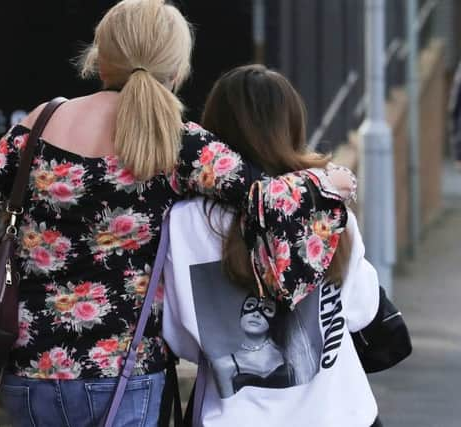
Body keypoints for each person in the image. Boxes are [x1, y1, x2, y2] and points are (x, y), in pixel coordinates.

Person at [0, 1, 354, 425]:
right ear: (177, 70)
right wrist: (324, 185)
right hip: (130, 373)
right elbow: (266, 200)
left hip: (27, 369)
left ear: (100, 59)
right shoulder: (179, 142)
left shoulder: (35, 126)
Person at [163, 65, 383, 427]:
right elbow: (360, 310)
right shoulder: (326, 202)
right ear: (293, 126)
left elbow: (181, 339)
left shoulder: (185, 221)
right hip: (340, 414)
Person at [210, 295, 293, 397]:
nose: (256, 314)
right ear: (241, 313)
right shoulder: (224, 365)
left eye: (267, 309)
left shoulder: (290, 356)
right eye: (250, 305)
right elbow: (229, 409)